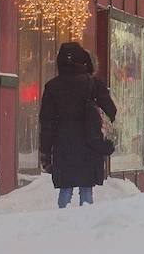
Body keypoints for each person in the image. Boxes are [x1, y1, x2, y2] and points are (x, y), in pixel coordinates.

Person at [38, 42, 115, 208]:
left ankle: (61, 219)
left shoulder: (52, 87)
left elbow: (47, 122)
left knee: (65, 188)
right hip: (89, 142)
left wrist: (45, 151)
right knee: (86, 188)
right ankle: (85, 222)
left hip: (62, 145)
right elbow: (111, 110)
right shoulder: (93, 84)